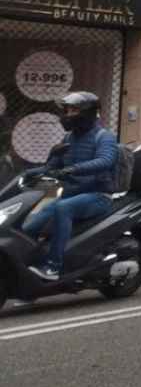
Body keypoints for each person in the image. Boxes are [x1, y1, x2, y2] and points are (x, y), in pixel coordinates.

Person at [19, 91, 119, 281]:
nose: (67, 114)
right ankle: (26, 269)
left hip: (98, 195)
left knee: (63, 208)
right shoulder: (68, 138)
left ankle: (53, 267)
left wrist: (72, 169)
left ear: (87, 112)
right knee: (29, 226)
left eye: (73, 110)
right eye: (67, 110)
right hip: (69, 194)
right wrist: (29, 172)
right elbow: (52, 168)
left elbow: (105, 161)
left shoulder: (104, 137)